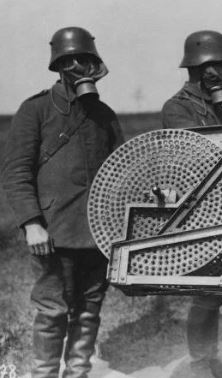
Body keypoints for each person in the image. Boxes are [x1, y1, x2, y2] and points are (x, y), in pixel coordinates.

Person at [1, 27, 123, 378]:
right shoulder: (36, 110)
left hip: (99, 232)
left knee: (89, 310)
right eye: (70, 60)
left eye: (85, 60)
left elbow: (122, 169)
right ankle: (44, 374)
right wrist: (31, 223)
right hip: (54, 233)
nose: (79, 67)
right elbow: (16, 172)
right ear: (57, 65)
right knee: (53, 310)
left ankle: (77, 373)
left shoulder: (104, 115)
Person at [161, 30, 222, 378]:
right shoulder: (178, 108)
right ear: (198, 70)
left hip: (220, 204)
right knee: (204, 292)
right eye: (215, 67)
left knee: (214, 291)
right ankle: (199, 363)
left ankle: (210, 357)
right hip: (197, 208)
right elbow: (195, 153)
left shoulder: (214, 106)